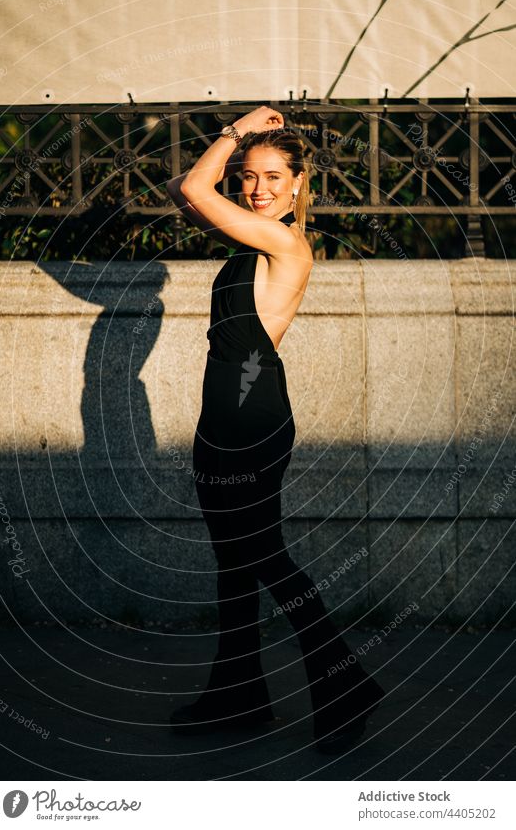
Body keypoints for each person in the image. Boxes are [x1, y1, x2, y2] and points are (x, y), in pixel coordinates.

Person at [166, 105, 384, 754]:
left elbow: (188, 190)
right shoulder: (249, 240)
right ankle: (239, 695)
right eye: (247, 177)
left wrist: (235, 130)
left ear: (295, 185)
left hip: (252, 421)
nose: (257, 188)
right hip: (219, 422)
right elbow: (190, 202)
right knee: (235, 565)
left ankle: (345, 686)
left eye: (270, 176)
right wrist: (234, 147)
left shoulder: (285, 243)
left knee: (265, 558)